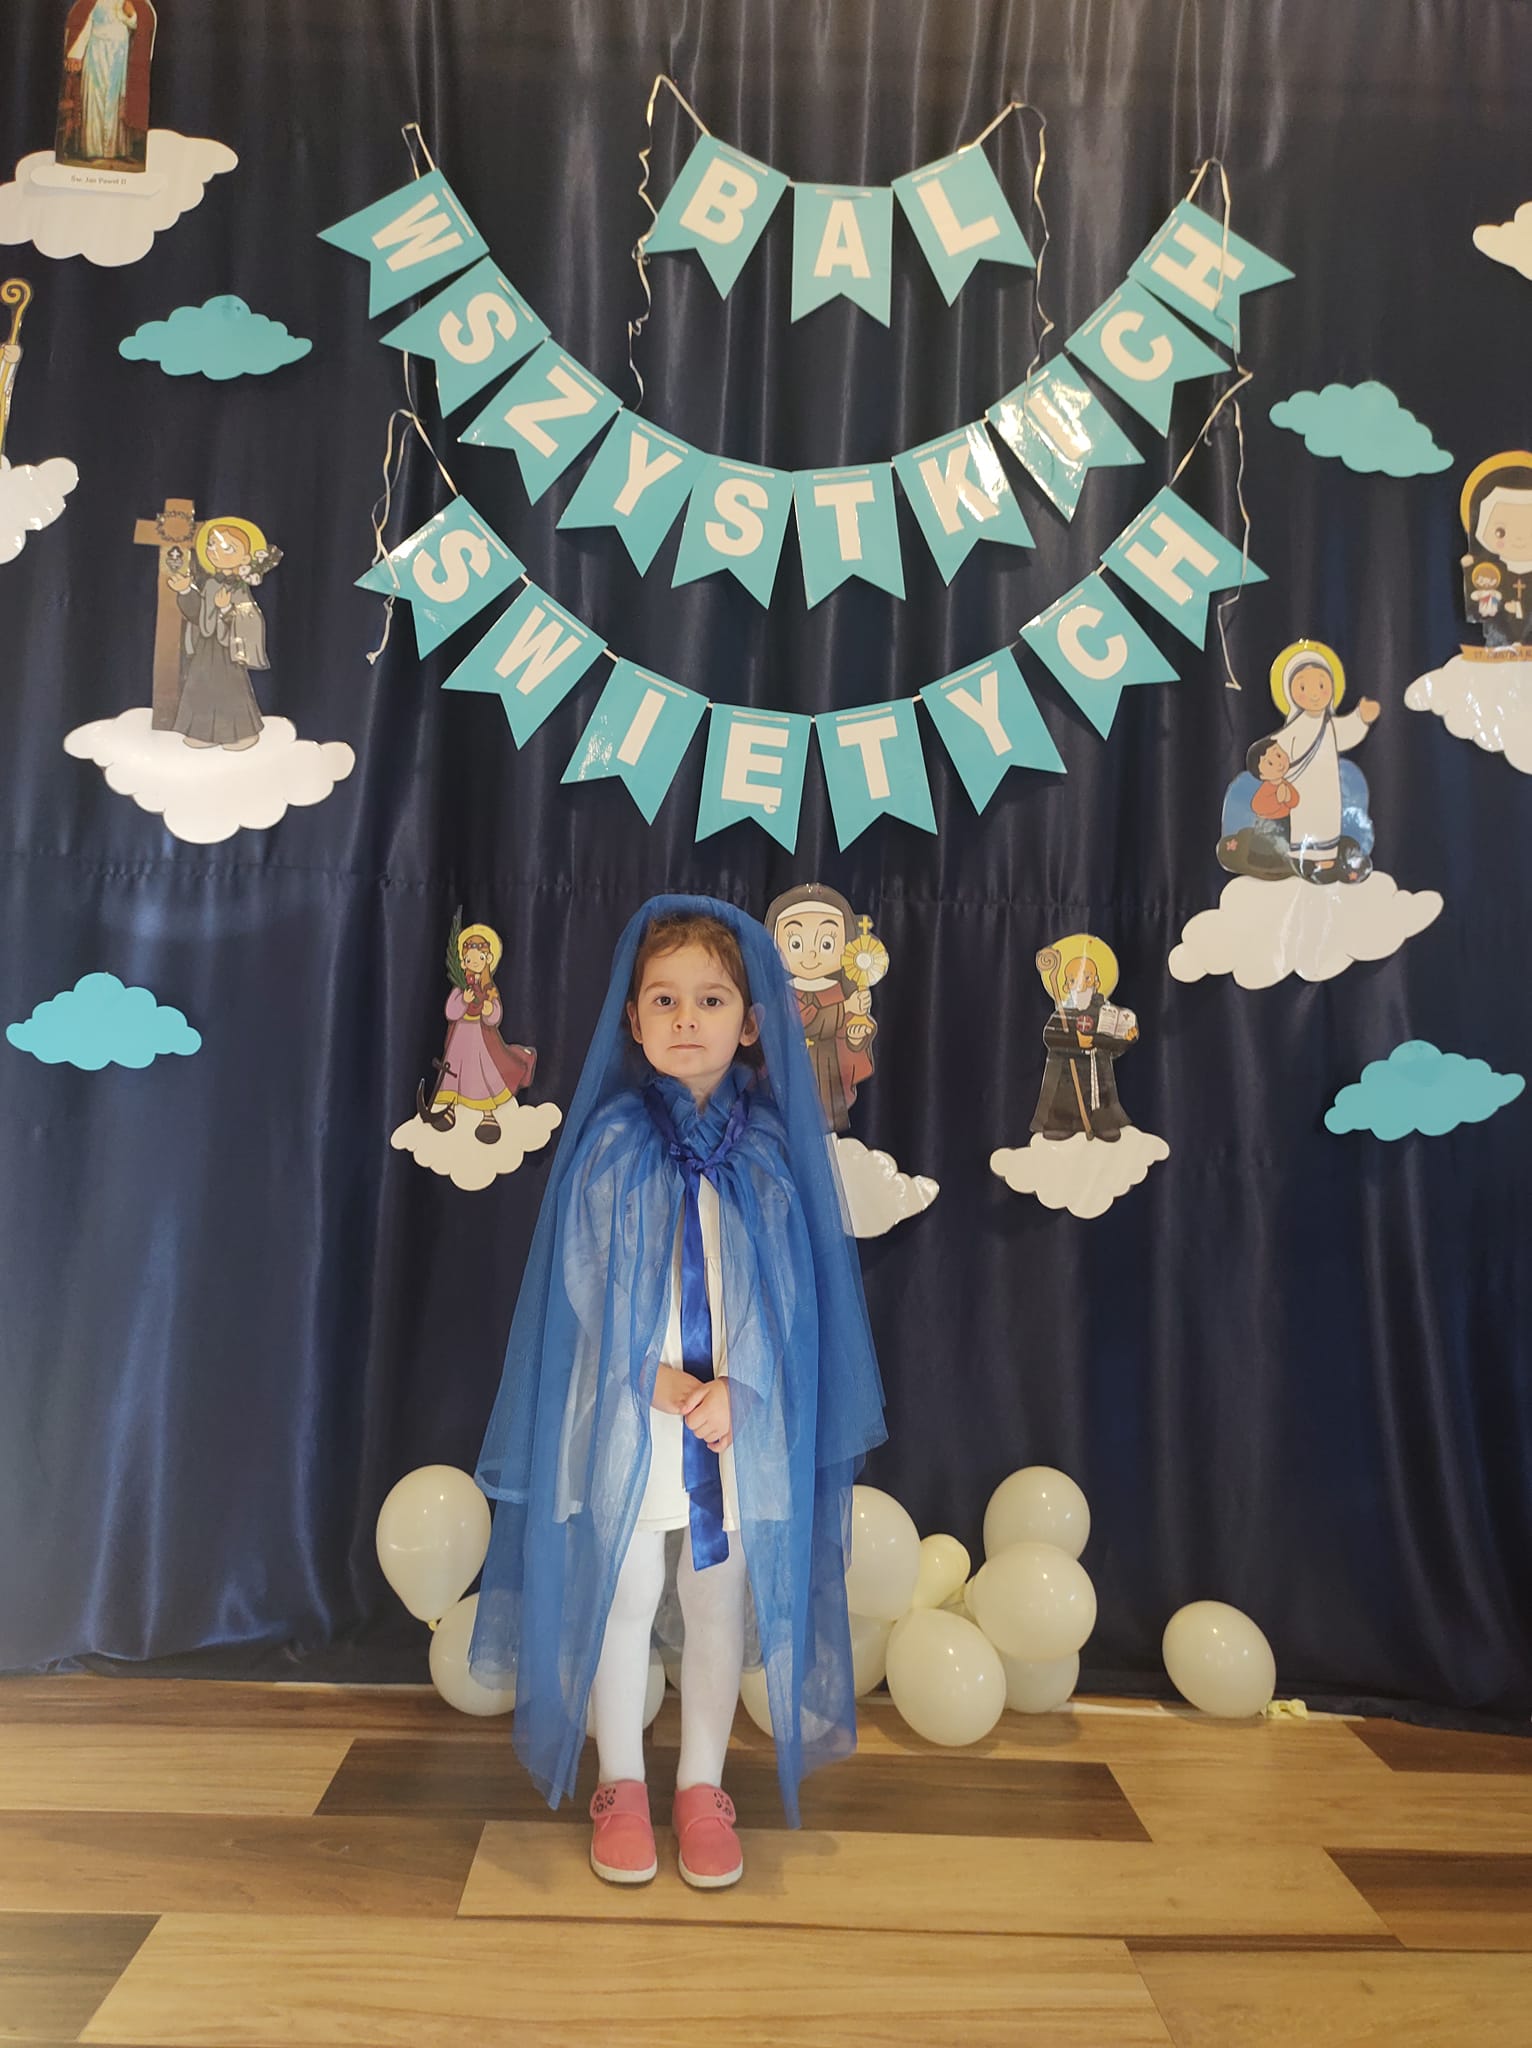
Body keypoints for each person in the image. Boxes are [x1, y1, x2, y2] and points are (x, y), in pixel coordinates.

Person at [469, 895, 885, 1891]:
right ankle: (619, 1779)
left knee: (715, 1598)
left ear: (751, 1021)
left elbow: (791, 1295)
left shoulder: (773, 1153)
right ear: (633, 1017)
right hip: (630, 1409)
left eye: (710, 998)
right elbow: (582, 1277)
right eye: (664, 998)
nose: (686, 1017)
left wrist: (745, 1384)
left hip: (736, 1419)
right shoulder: (608, 1145)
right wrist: (642, 1371)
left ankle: (701, 1783)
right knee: (622, 1593)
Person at [765, 882, 876, 1133]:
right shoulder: (778, 995)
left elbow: (851, 1047)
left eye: (826, 944)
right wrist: (844, 1008)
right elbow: (798, 1021)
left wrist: (854, 1036)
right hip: (788, 1072)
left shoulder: (840, 990)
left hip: (828, 1075)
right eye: (795, 944)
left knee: (825, 1131)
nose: (811, 955)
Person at [417, 919, 537, 1143]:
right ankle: (450, 1110)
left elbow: (495, 1015)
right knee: (454, 1072)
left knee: (483, 1073)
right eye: (469, 960)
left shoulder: (489, 989)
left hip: (481, 1040)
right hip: (460, 1038)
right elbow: (451, 1011)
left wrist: (490, 1010)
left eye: (478, 959)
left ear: (487, 960)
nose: (474, 963)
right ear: (463, 963)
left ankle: (488, 1116)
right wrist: (463, 999)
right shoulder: (461, 987)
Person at [1268, 640, 1379, 881]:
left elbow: (1346, 732)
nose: (1315, 694)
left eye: (1321, 684)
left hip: (1327, 788)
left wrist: (1361, 717)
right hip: (1301, 788)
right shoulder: (1294, 728)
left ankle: (1326, 861)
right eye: (1303, 687)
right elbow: (1276, 749)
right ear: (1290, 691)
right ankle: (1302, 861)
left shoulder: (1329, 724)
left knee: (1327, 820)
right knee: (1303, 820)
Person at [165, 518, 279, 752]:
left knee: (231, 691)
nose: (216, 551)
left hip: (227, 651)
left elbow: (250, 618)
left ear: (245, 558)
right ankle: (202, 732)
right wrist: (185, 590)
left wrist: (226, 609)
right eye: (212, 545)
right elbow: (198, 615)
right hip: (205, 649)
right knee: (200, 688)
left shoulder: (238, 587)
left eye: (228, 548)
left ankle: (242, 734)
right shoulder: (209, 584)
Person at [1029, 937, 1137, 1143]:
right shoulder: (1064, 1013)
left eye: (1088, 978)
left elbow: (1112, 1044)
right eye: (1074, 979)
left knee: (1101, 1099)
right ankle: (1062, 1124)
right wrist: (1074, 1040)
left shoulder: (1104, 1012)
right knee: (1064, 1098)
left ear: (1096, 982)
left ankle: (1102, 1123)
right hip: (1067, 1072)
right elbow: (1050, 1035)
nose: (1081, 984)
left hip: (1097, 1070)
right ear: (1066, 985)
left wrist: (1125, 1038)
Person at [1458, 452, 1532, 651]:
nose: (1519, 539)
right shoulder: (1488, 570)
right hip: (1498, 645)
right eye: (1501, 532)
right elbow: (1480, 610)